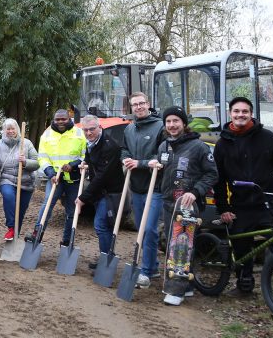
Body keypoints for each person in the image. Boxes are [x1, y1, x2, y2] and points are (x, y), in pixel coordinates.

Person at [213, 97, 273, 310]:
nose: (240, 115)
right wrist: (224, 208)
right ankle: (244, 285)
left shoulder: (267, 137)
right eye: (236, 111)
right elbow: (218, 181)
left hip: (269, 202)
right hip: (240, 205)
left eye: (245, 111)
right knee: (241, 247)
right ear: (230, 114)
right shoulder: (222, 144)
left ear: (251, 114)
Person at [147, 106, 217, 306]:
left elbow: (212, 174)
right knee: (175, 243)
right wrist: (155, 166)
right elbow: (163, 171)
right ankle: (186, 286)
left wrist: (194, 192)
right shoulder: (164, 146)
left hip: (188, 206)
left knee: (181, 245)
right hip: (170, 203)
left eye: (176, 121)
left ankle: (176, 291)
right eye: (168, 122)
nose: (172, 125)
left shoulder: (199, 147)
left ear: (184, 124)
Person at [120, 92, 165, 288]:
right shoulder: (129, 129)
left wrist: (142, 163)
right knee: (142, 229)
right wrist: (126, 159)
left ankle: (146, 271)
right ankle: (153, 266)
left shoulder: (160, 127)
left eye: (141, 103)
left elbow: (162, 155)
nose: (138, 107)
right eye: (134, 105)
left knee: (149, 228)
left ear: (148, 104)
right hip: (136, 187)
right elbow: (124, 150)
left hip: (155, 186)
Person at [76, 114, 124, 266]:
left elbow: (102, 176)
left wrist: (83, 198)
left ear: (99, 127)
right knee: (105, 225)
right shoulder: (91, 142)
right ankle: (107, 256)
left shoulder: (110, 146)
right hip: (100, 191)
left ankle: (106, 259)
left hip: (110, 192)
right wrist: (86, 162)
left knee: (100, 224)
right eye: (85, 130)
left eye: (92, 129)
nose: (89, 133)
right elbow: (90, 157)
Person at [34, 109, 87, 246]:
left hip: (74, 179)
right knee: (47, 206)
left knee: (72, 211)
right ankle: (37, 236)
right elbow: (43, 157)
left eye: (63, 119)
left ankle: (67, 241)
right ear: (54, 119)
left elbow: (85, 155)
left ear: (69, 118)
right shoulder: (46, 134)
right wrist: (50, 173)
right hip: (55, 178)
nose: (60, 122)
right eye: (57, 119)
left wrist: (73, 165)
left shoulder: (79, 133)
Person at [0, 118, 40, 241]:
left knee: (20, 211)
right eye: (8, 129)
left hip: (26, 181)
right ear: (3, 130)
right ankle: (11, 228)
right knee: (8, 196)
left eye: (13, 128)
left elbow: (37, 163)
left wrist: (25, 162)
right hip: (7, 179)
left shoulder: (26, 143)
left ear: (17, 130)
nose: (10, 131)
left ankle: (15, 234)